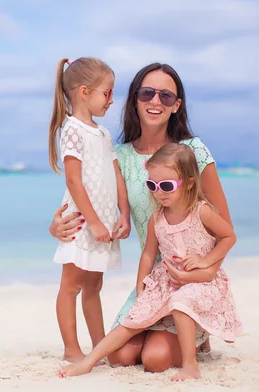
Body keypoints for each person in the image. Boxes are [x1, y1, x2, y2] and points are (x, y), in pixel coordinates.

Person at [49, 62, 233, 372]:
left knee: (155, 359)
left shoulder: (193, 151)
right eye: (147, 93)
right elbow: (90, 190)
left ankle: (196, 335)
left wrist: (202, 270)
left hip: (191, 281)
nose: (155, 101)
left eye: (165, 95)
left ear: (177, 105)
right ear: (135, 99)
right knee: (119, 358)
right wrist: (57, 225)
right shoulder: (119, 154)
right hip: (151, 281)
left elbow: (224, 228)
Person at [58, 143, 242, 381]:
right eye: (152, 185)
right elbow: (148, 253)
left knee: (180, 301)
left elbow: (228, 236)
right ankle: (89, 361)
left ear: (188, 182)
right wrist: (141, 284)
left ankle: (190, 364)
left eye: (166, 185)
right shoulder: (157, 218)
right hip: (165, 281)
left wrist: (207, 261)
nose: (159, 192)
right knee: (133, 319)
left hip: (201, 284)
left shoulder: (202, 211)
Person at [49, 57, 131, 363]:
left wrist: (123, 214)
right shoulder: (72, 130)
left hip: (105, 222)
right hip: (83, 222)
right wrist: (94, 223)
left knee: (94, 285)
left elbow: (116, 175)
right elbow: (73, 179)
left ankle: (100, 347)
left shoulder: (104, 133)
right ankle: (71, 348)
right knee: (71, 286)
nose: (111, 100)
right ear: (85, 91)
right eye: (107, 93)